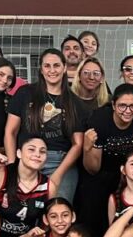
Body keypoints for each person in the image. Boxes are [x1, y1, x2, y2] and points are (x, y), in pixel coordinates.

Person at [5, 48, 84, 201]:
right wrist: (12, 166)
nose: (52, 70)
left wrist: (57, 175)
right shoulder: (25, 93)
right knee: (24, 208)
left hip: (60, 162)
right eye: (47, 66)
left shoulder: (75, 103)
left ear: (64, 68)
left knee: (58, 209)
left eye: (56, 65)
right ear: (41, 69)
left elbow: (78, 144)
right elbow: (10, 132)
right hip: (26, 159)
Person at [77, 84, 133, 237]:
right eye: (122, 106)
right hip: (99, 174)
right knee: (92, 216)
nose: (128, 111)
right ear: (114, 105)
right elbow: (93, 169)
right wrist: (87, 148)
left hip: (126, 175)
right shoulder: (99, 120)